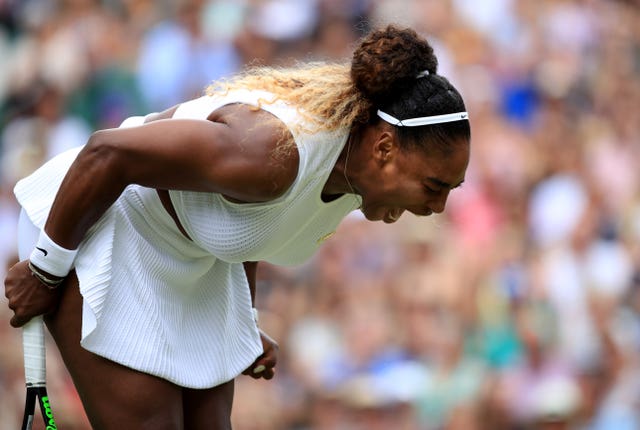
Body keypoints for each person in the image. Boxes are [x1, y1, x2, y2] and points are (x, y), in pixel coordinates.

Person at [4, 25, 470, 429]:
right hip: (99, 221)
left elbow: (256, 220)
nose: (439, 207)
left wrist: (245, 322)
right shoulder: (269, 153)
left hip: (192, 258)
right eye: (434, 185)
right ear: (385, 148)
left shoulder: (355, 174)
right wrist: (45, 270)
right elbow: (107, 152)